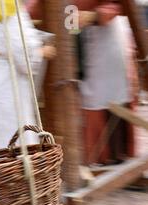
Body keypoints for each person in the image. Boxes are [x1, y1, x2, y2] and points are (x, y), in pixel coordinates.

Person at [27, 0, 137, 166]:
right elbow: (33, 10)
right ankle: (94, 157)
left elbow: (120, 5)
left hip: (105, 39)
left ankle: (116, 155)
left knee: (110, 99)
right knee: (85, 100)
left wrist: (95, 15)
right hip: (75, 41)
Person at [0, 0, 56, 153]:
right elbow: (19, 45)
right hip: (5, 83)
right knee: (15, 142)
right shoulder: (6, 2)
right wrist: (41, 52)